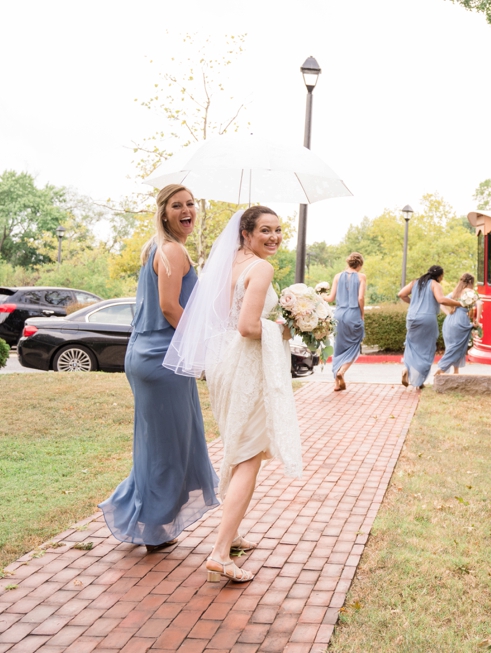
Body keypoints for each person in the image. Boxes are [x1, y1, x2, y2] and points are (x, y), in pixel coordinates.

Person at [165, 206, 303, 583]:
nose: (273, 237)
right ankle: (220, 552)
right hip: (245, 366)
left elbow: (224, 319)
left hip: (222, 363)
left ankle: (233, 532)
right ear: (246, 233)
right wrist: (284, 330)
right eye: (265, 230)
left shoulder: (224, 265)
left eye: (278, 230)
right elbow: (247, 326)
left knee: (237, 447)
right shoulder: (261, 269)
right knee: (248, 456)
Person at [99, 184, 219, 552]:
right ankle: (153, 528)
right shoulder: (171, 251)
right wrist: (201, 343)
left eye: (190, 204)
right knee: (171, 449)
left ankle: (136, 511)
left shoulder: (155, 248)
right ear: (164, 213)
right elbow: (169, 308)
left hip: (147, 355)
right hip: (164, 359)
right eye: (177, 206)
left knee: (157, 446)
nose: (186, 211)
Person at [397, 265, 463, 389]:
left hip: (412, 318)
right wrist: (460, 303)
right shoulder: (435, 284)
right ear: (440, 276)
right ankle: (419, 381)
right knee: (427, 348)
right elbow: (441, 300)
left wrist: (415, 303)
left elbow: (401, 294)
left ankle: (406, 368)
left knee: (411, 344)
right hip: (427, 318)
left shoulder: (415, 282)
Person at [323, 253, 366, 391]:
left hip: (339, 314)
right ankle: (342, 371)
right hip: (353, 314)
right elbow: (360, 298)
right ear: (359, 265)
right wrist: (362, 314)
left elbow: (330, 298)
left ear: (348, 262)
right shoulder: (361, 277)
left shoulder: (337, 276)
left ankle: (336, 383)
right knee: (354, 346)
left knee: (338, 348)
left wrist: (321, 295)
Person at [435, 273, 478, 375]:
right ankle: (442, 368)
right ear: (471, 282)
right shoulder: (469, 293)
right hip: (461, 320)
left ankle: (456, 371)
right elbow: (479, 303)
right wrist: (476, 320)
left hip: (449, 320)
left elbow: (441, 303)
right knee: (458, 346)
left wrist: (448, 314)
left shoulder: (454, 293)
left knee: (451, 346)